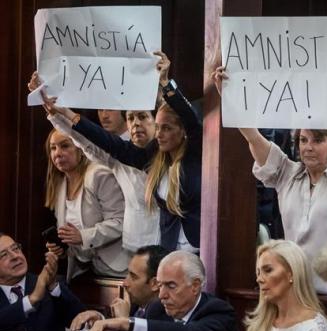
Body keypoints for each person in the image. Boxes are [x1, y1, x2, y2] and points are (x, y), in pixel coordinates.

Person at [211, 59, 327, 295]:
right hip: (299, 290)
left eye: (317, 140)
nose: (308, 147)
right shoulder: (288, 174)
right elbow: (253, 138)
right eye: (303, 140)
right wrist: (229, 96)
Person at [51, 52, 202, 253]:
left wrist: (165, 83)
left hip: (198, 248)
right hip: (168, 250)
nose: (159, 134)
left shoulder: (195, 153)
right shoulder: (152, 157)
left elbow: (190, 119)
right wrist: (67, 114)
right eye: (157, 128)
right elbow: (113, 145)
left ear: (182, 131)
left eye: (166, 128)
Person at [30, 63, 162, 253]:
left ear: (156, 122)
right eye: (131, 118)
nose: (136, 124)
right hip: (137, 245)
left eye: (143, 117)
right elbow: (85, 141)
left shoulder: (170, 153)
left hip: (169, 242)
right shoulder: (119, 157)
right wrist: (53, 111)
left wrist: (163, 82)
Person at [86, 250, 239, 331]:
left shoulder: (219, 313)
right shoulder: (156, 309)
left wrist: (128, 323)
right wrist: (105, 328)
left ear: (195, 286)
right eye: (160, 285)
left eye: (171, 286)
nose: (162, 295)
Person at [44, 128, 129, 280]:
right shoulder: (59, 184)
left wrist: (83, 237)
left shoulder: (98, 174)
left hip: (118, 270)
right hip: (85, 271)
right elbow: (71, 236)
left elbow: (120, 221)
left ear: (80, 148)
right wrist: (62, 249)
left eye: (65, 146)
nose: (57, 153)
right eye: (53, 148)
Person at [245, 240, 327, 331]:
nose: (259, 279)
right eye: (258, 273)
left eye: (268, 270)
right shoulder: (260, 325)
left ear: (291, 273)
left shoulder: (314, 330)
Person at [0, 233, 85, 331]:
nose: (15, 256)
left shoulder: (47, 283)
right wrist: (31, 300)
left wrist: (53, 287)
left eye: (15, 248)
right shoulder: (38, 289)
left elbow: (81, 320)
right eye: (4, 255)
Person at [70, 245, 169, 330]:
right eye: (127, 275)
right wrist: (99, 319)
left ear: (155, 284)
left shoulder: (165, 315)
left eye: (133, 277)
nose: (125, 283)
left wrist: (124, 322)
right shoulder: (132, 306)